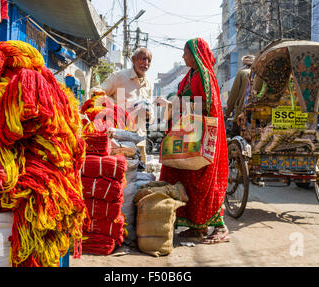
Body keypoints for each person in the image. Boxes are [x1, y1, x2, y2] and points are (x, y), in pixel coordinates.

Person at [155, 38, 229, 244]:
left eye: (185, 53)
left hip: (201, 138)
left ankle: (221, 227)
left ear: (195, 54)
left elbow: (208, 107)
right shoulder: (191, 75)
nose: (183, 56)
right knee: (184, 179)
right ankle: (198, 227)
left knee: (205, 183)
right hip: (187, 135)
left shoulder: (205, 75)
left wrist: (174, 105)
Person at [95, 47, 153, 163]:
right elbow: (97, 92)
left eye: (149, 60)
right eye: (143, 59)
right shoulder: (119, 77)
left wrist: (148, 115)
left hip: (139, 136)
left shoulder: (148, 84)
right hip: (119, 137)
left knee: (138, 172)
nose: (146, 63)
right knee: (120, 169)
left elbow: (150, 110)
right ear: (133, 59)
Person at [224, 54, 255, 137]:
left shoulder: (242, 73)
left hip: (241, 115)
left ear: (243, 63)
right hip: (256, 115)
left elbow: (233, 96)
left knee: (235, 140)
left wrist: (226, 115)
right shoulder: (260, 73)